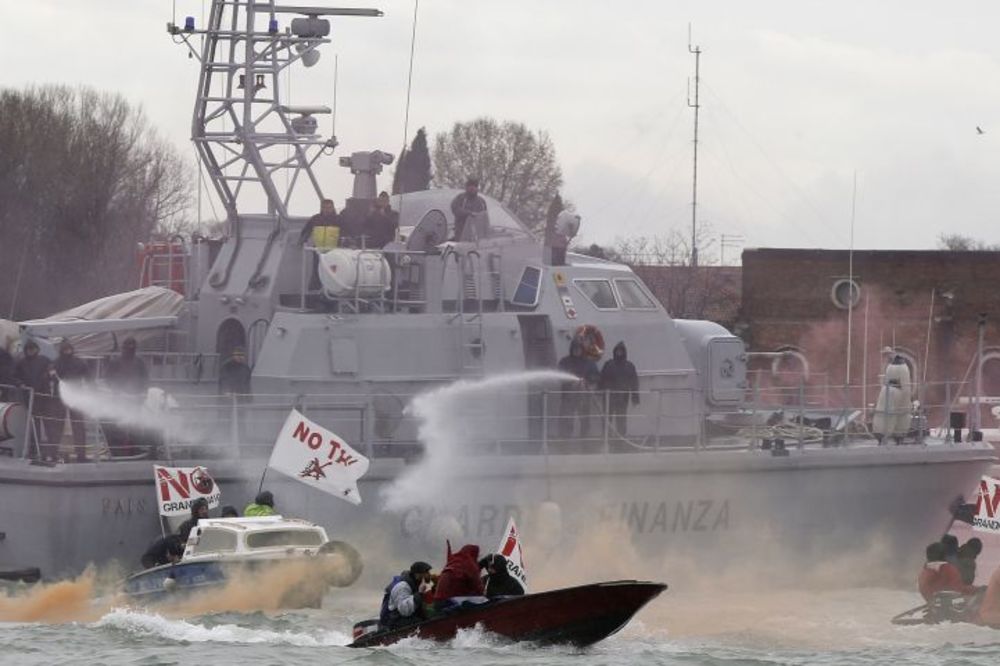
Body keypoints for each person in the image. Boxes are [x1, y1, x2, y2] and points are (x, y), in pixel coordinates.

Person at [14, 340, 60, 461]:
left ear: (37, 349)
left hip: (44, 396)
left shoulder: (44, 360)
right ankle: (35, 450)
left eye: (33, 349)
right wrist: (20, 384)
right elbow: (15, 376)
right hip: (30, 397)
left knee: (49, 424)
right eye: (29, 349)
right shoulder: (21, 363)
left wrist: (51, 373)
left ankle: (53, 451)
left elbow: (53, 371)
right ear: (26, 350)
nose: (31, 351)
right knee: (34, 425)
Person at [103, 337, 149, 456]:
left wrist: (143, 392)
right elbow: (108, 379)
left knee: (134, 424)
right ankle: (119, 448)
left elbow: (145, 378)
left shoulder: (139, 362)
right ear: (123, 347)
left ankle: (135, 448)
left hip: (135, 398)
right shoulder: (115, 361)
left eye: (132, 346)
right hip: (120, 398)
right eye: (128, 346)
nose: (130, 349)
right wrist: (116, 390)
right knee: (119, 423)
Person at [53, 340, 92, 462]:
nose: (67, 352)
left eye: (69, 349)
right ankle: (53, 453)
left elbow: (89, 378)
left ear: (72, 350)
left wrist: (93, 390)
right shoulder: (55, 363)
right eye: (65, 350)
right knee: (57, 426)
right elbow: (49, 377)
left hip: (76, 397)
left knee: (78, 426)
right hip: (59, 398)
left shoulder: (79, 362)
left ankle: (81, 455)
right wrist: (49, 374)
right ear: (61, 351)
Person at [557, 340, 600, 439]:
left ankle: (584, 439)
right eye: (575, 349)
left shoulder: (589, 362)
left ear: (582, 350)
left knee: (585, 419)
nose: (577, 351)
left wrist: (587, 380)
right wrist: (571, 382)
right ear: (571, 349)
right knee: (567, 418)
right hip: (568, 396)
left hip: (584, 396)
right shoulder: (565, 361)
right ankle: (565, 439)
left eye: (579, 349)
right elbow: (559, 376)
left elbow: (596, 376)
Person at [598, 341, 640, 437]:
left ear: (624, 352)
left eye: (621, 351)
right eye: (617, 351)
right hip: (609, 396)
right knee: (607, 418)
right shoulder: (608, 364)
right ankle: (606, 437)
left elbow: (634, 382)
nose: (619, 352)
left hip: (623, 397)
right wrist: (600, 388)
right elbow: (602, 378)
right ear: (614, 351)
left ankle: (620, 439)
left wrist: (635, 397)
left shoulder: (629, 366)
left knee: (621, 418)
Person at [379, 561, 434, 629]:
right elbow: (404, 610)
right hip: (395, 620)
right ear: (417, 575)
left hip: (408, 617)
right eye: (426, 572)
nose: (429, 574)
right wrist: (419, 593)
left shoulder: (416, 584)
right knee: (418, 622)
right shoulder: (402, 586)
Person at [872, 352, 912, 444]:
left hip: (889, 390)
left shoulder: (889, 368)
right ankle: (898, 437)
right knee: (900, 414)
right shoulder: (904, 369)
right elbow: (905, 386)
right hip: (899, 391)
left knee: (885, 413)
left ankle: (883, 436)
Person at [433, 543, 484, 610]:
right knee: (482, 600)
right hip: (449, 602)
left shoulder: (452, 561)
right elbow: (478, 588)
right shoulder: (469, 564)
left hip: (437, 603)